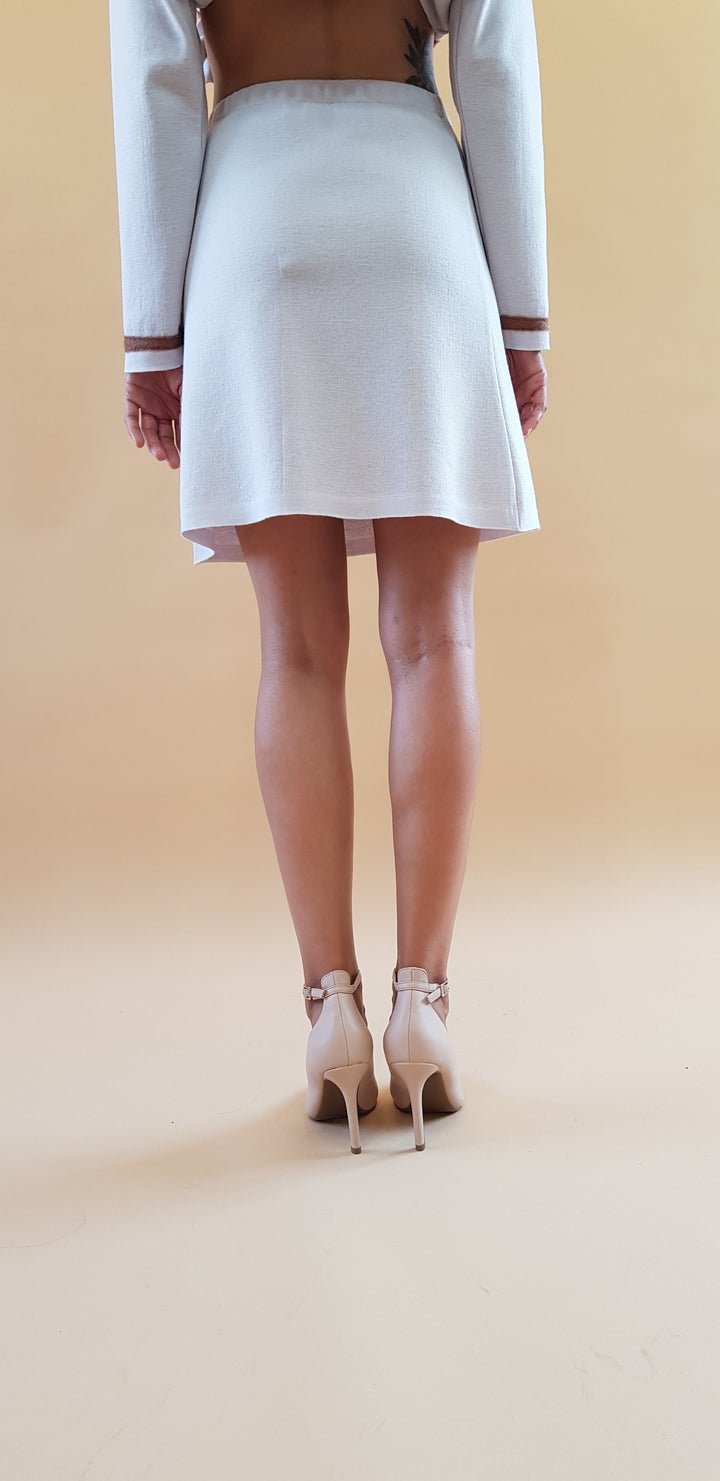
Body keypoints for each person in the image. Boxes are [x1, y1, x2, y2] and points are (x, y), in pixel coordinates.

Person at [108, 0, 550, 1153]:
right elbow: (495, 71)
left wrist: (152, 338)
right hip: (418, 217)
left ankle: (332, 1015)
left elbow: (158, 83)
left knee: (297, 651)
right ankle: (425, 1007)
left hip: (255, 221)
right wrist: (521, 320)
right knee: (434, 640)